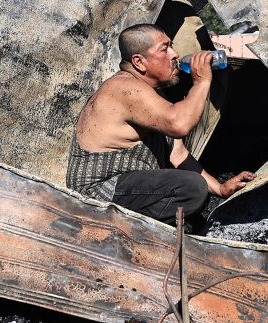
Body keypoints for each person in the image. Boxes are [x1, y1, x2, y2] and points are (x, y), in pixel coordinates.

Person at [66, 23, 255, 224]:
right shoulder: (124, 89)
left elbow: (177, 153)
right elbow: (180, 124)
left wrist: (220, 188)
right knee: (192, 188)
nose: (175, 54)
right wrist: (201, 82)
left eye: (171, 46)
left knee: (193, 192)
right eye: (164, 49)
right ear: (139, 62)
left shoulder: (151, 92)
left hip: (129, 189)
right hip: (97, 196)